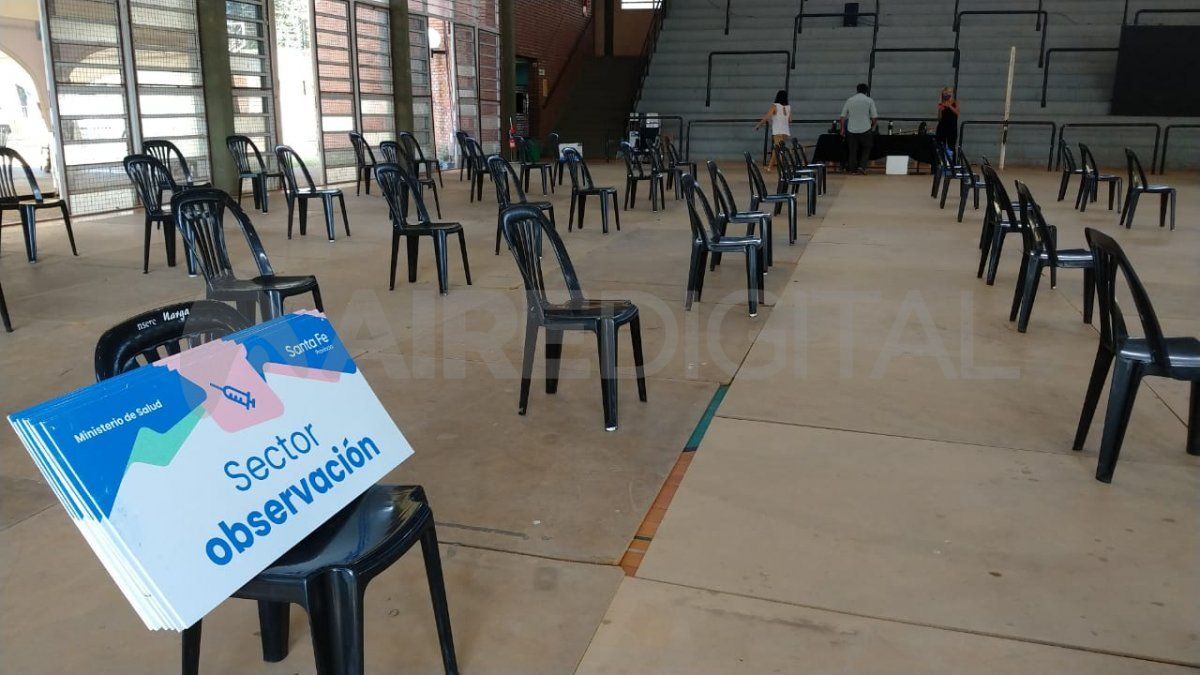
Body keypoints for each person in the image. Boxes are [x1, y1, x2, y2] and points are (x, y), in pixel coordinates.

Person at [839, 83, 878, 174]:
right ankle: (862, 167)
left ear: (857, 90)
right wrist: (872, 126)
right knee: (866, 148)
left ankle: (852, 169)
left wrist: (842, 129)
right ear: (866, 91)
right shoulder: (869, 100)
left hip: (851, 129)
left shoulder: (850, 100)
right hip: (865, 128)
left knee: (852, 150)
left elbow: (842, 116)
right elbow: (874, 117)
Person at [754, 90, 791, 172]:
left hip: (777, 130)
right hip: (785, 131)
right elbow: (790, 120)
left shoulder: (775, 106)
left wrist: (758, 125)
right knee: (779, 149)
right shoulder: (788, 107)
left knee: (777, 149)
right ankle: (776, 167)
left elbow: (767, 116)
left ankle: (775, 167)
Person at [936, 86, 960, 151]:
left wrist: (949, 106)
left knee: (951, 146)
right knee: (940, 145)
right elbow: (939, 117)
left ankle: (952, 160)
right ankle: (941, 160)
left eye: (949, 92)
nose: (947, 94)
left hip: (952, 128)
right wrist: (940, 108)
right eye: (946, 93)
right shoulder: (942, 104)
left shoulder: (955, 102)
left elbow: (957, 113)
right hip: (942, 127)